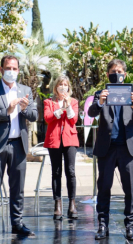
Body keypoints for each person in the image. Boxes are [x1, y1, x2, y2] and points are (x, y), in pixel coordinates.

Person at [88, 59, 133, 241]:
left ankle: (130, 226)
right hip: (107, 148)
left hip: (127, 148)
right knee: (104, 188)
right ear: (108, 75)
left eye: (120, 71)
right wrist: (99, 102)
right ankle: (102, 225)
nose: (117, 73)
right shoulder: (101, 93)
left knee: (130, 189)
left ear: (125, 74)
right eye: (113, 71)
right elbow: (91, 113)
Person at [0, 55, 38, 239]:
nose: (11, 71)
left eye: (14, 68)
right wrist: (7, 111)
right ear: (1, 69)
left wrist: (25, 109)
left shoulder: (25, 89)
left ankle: (17, 224)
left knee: (17, 187)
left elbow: (34, 115)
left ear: (18, 70)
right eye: (8, 68)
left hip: (18, 145)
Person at [43, 76, 79, 220]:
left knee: (70, 171)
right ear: (56, 87)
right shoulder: (49, 102)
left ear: (68, 87)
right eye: (60, 85)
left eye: (65, 85)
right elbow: (48, 118)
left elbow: (73, 119)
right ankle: (57, 204)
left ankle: (72, 203)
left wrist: (67, 105)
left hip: (70, 139)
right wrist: (60, 109)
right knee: (56, 172)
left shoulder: (74, 102)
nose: (63, 87)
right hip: (54, 140)